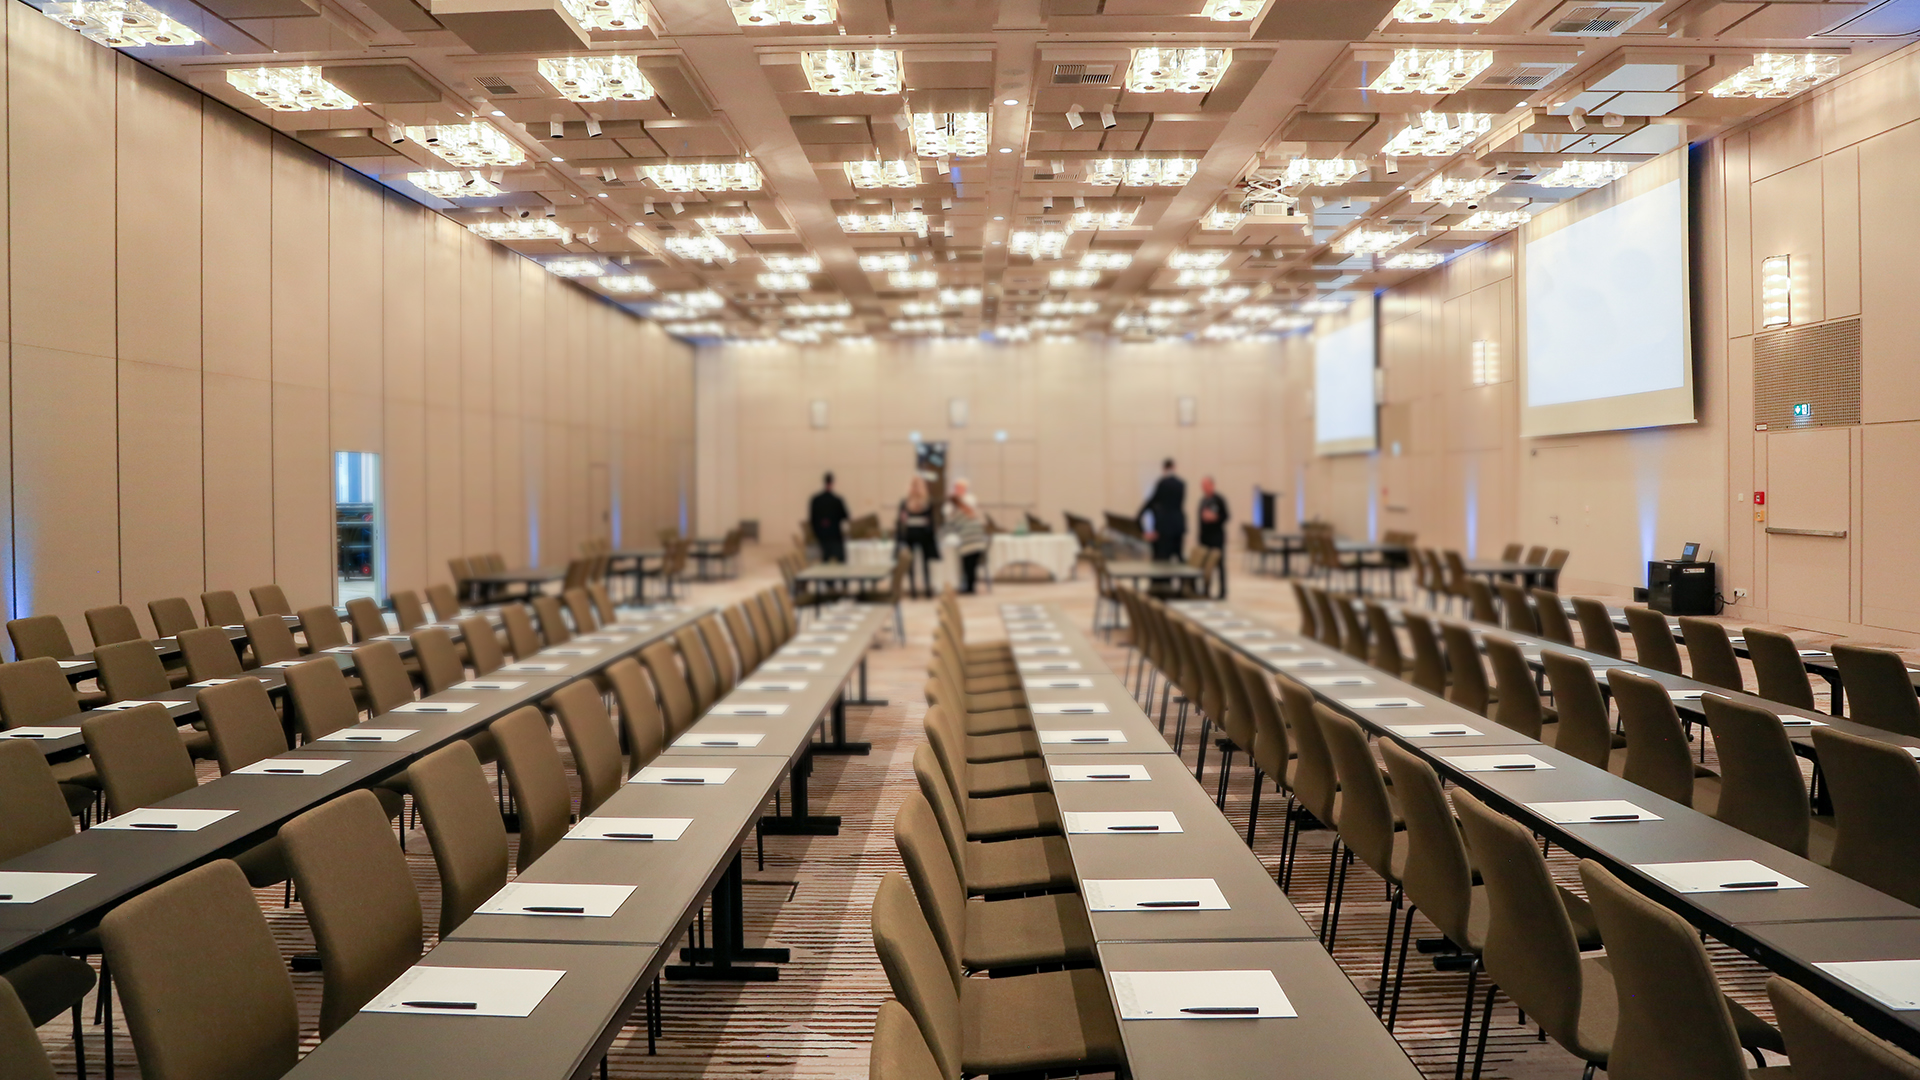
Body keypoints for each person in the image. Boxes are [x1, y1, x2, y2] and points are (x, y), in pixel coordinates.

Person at [896, 475, 940, 599]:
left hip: (924, 535)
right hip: (910, 534)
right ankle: (913, 590)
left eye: (917, 485)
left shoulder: (927, 502)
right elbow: (900, 521)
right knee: (910, 563)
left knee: (926, 563)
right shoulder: (905, 502)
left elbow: (931, 520)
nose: (915, 488)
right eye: (913, 485)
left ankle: (927, 588)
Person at [1137, 458, 1186, 563]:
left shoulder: (1162, 484)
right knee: (1179, 557)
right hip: (1178, 527)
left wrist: (1139, 520)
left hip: (1165, 529)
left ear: (1164, 469)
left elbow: (1151, 502)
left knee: (1163, 560)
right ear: (1174, 467)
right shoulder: (1181, 484)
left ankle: (1165, 580)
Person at [945, 479, 989, 594]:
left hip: (969, 540)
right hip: (979, 539)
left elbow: (949, 527)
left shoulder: (955, 512)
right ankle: (971, 586)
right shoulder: (968, 509)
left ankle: (969, 588)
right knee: (972, 566)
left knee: (967, 565)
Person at [1197, 476, 1230, 598]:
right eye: (1202, 486)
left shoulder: (1219, 500)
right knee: (1205, 566)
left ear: (1212, 485)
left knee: (1219, 565)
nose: (1204, 488)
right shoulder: (1203, 501)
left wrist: (1215, 518)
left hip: (1216, 537)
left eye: (1206, 485)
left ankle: (1222, 591)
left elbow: (1226, 516)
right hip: (1205, 538)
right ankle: (1206, 590)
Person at [809, 472, 850, 563]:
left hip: (821, 535)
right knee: (841, 560)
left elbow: (812, 519)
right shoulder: (837, 500)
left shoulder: (816, 500)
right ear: (832, 483)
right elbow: (845, 516)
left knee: (825, 560)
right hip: (835, 535)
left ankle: (827, 577)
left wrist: (817, 532)